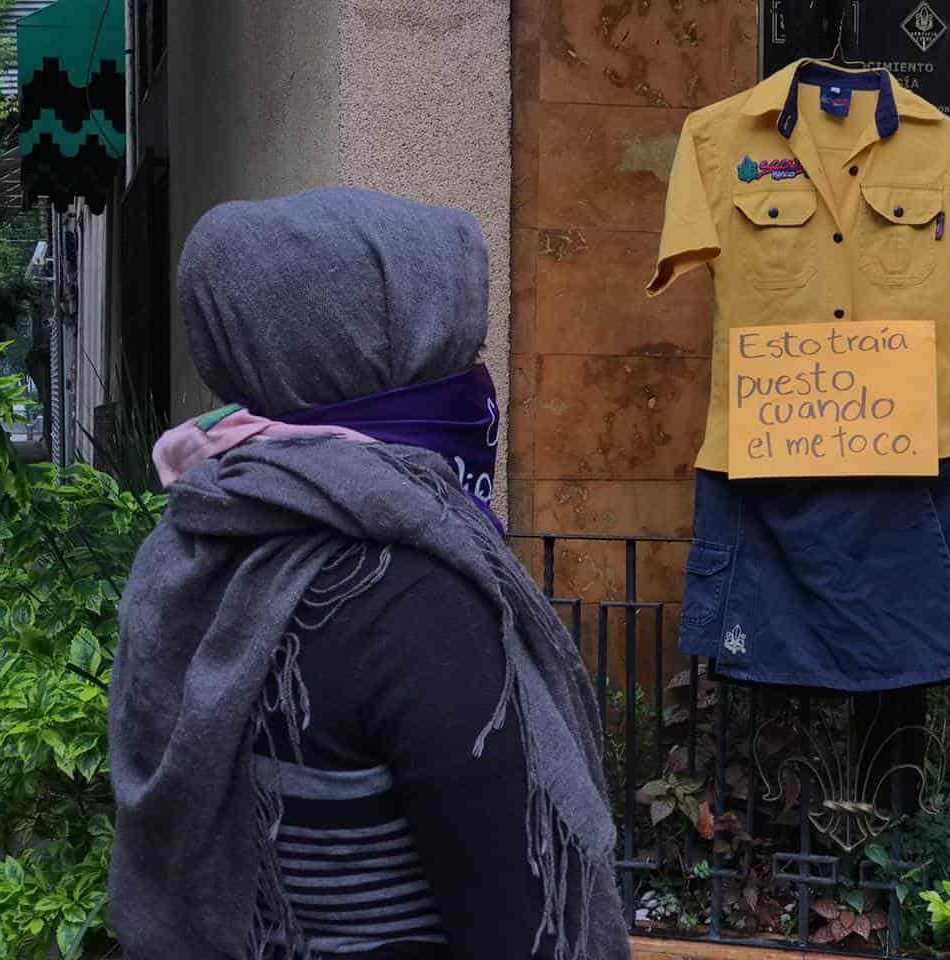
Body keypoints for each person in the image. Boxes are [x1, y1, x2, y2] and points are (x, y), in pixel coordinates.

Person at [107, 188, 630, 960]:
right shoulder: (412, 598)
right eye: (457, 353)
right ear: (372, 365)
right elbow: (522, 925)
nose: (481, 379)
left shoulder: (200, 531)